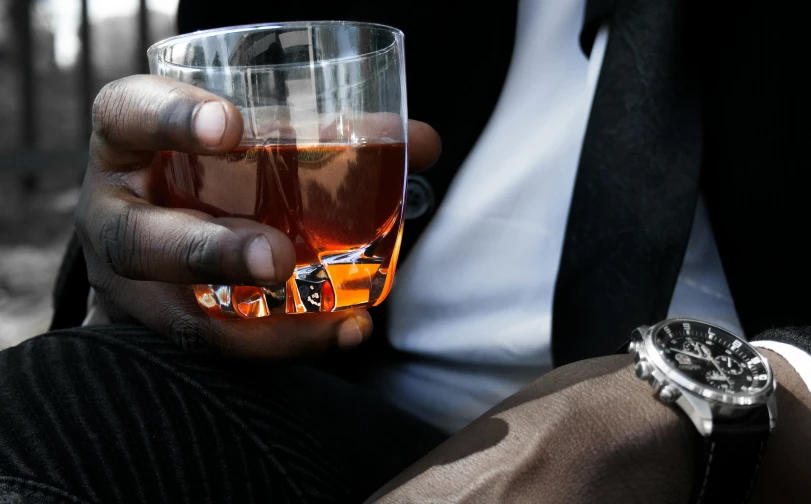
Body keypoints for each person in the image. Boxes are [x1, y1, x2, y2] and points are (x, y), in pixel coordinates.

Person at [2, 0, 810, 502]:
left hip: (766, 457)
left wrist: (677, 422)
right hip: (375, 446)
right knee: (58, 399)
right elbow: (190, 206)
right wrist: (154, 266)